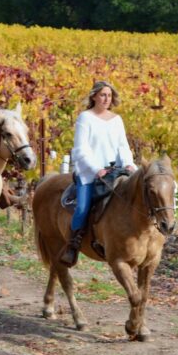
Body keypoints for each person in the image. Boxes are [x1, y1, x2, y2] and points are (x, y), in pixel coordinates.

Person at [62, 80, 137, 265]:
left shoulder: (116, 120)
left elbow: (123, 146)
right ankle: (73, 245)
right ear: (94, 96)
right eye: (103, 95)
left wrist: (128, 164)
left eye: (109, 95)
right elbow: (80, 149)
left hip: (115, 172)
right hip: (90, 173)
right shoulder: (85, 118)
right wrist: (97, 169)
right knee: (82, 208)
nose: (106, 99)